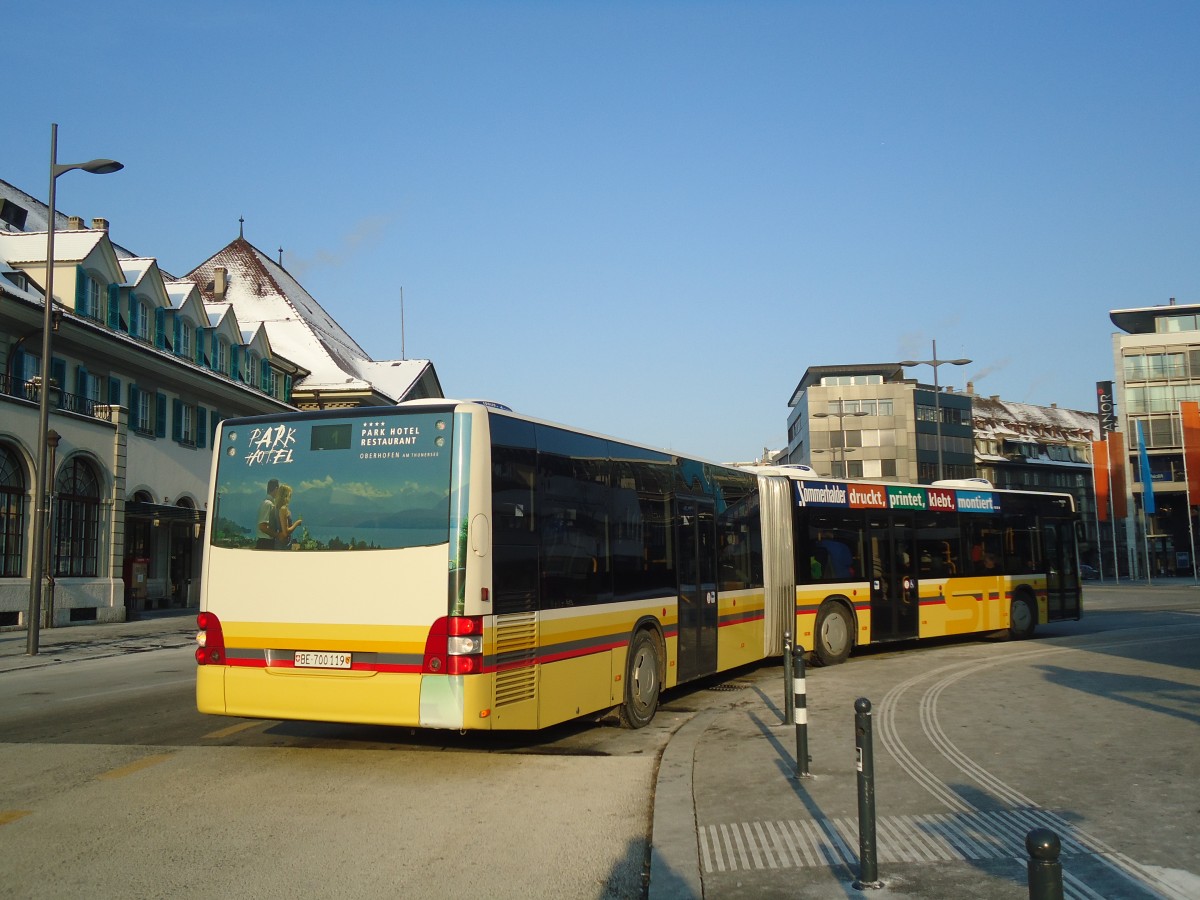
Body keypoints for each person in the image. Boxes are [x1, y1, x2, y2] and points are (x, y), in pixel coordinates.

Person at [274, 483, 303, 549]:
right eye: (290, 494)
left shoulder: (277, 507)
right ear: (286, 495)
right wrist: (297, 523)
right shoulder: (283, 509)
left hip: (280, 543)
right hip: (283, 544)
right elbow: (285, 532)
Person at [256, 478, 280, 549]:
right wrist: (277, 535)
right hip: (265, 543)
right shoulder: (267, 504)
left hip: (266, 542)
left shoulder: (269, 503)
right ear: (276, 489)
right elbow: (263, 527)